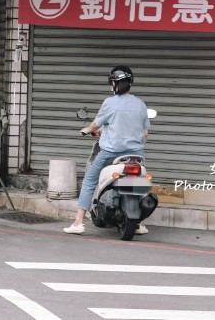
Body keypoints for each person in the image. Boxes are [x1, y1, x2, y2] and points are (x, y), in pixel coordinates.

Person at [64, 65, 151, 236]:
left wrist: (86, 130)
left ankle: (78, 222)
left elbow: (96, 124)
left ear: (113, 84)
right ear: (130, 83)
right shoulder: (140, 104)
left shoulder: (109, 103)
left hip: (111, 153)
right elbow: (145, 133)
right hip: (136, 153)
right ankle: (140, 224)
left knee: (89, 180)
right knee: (140, 183)